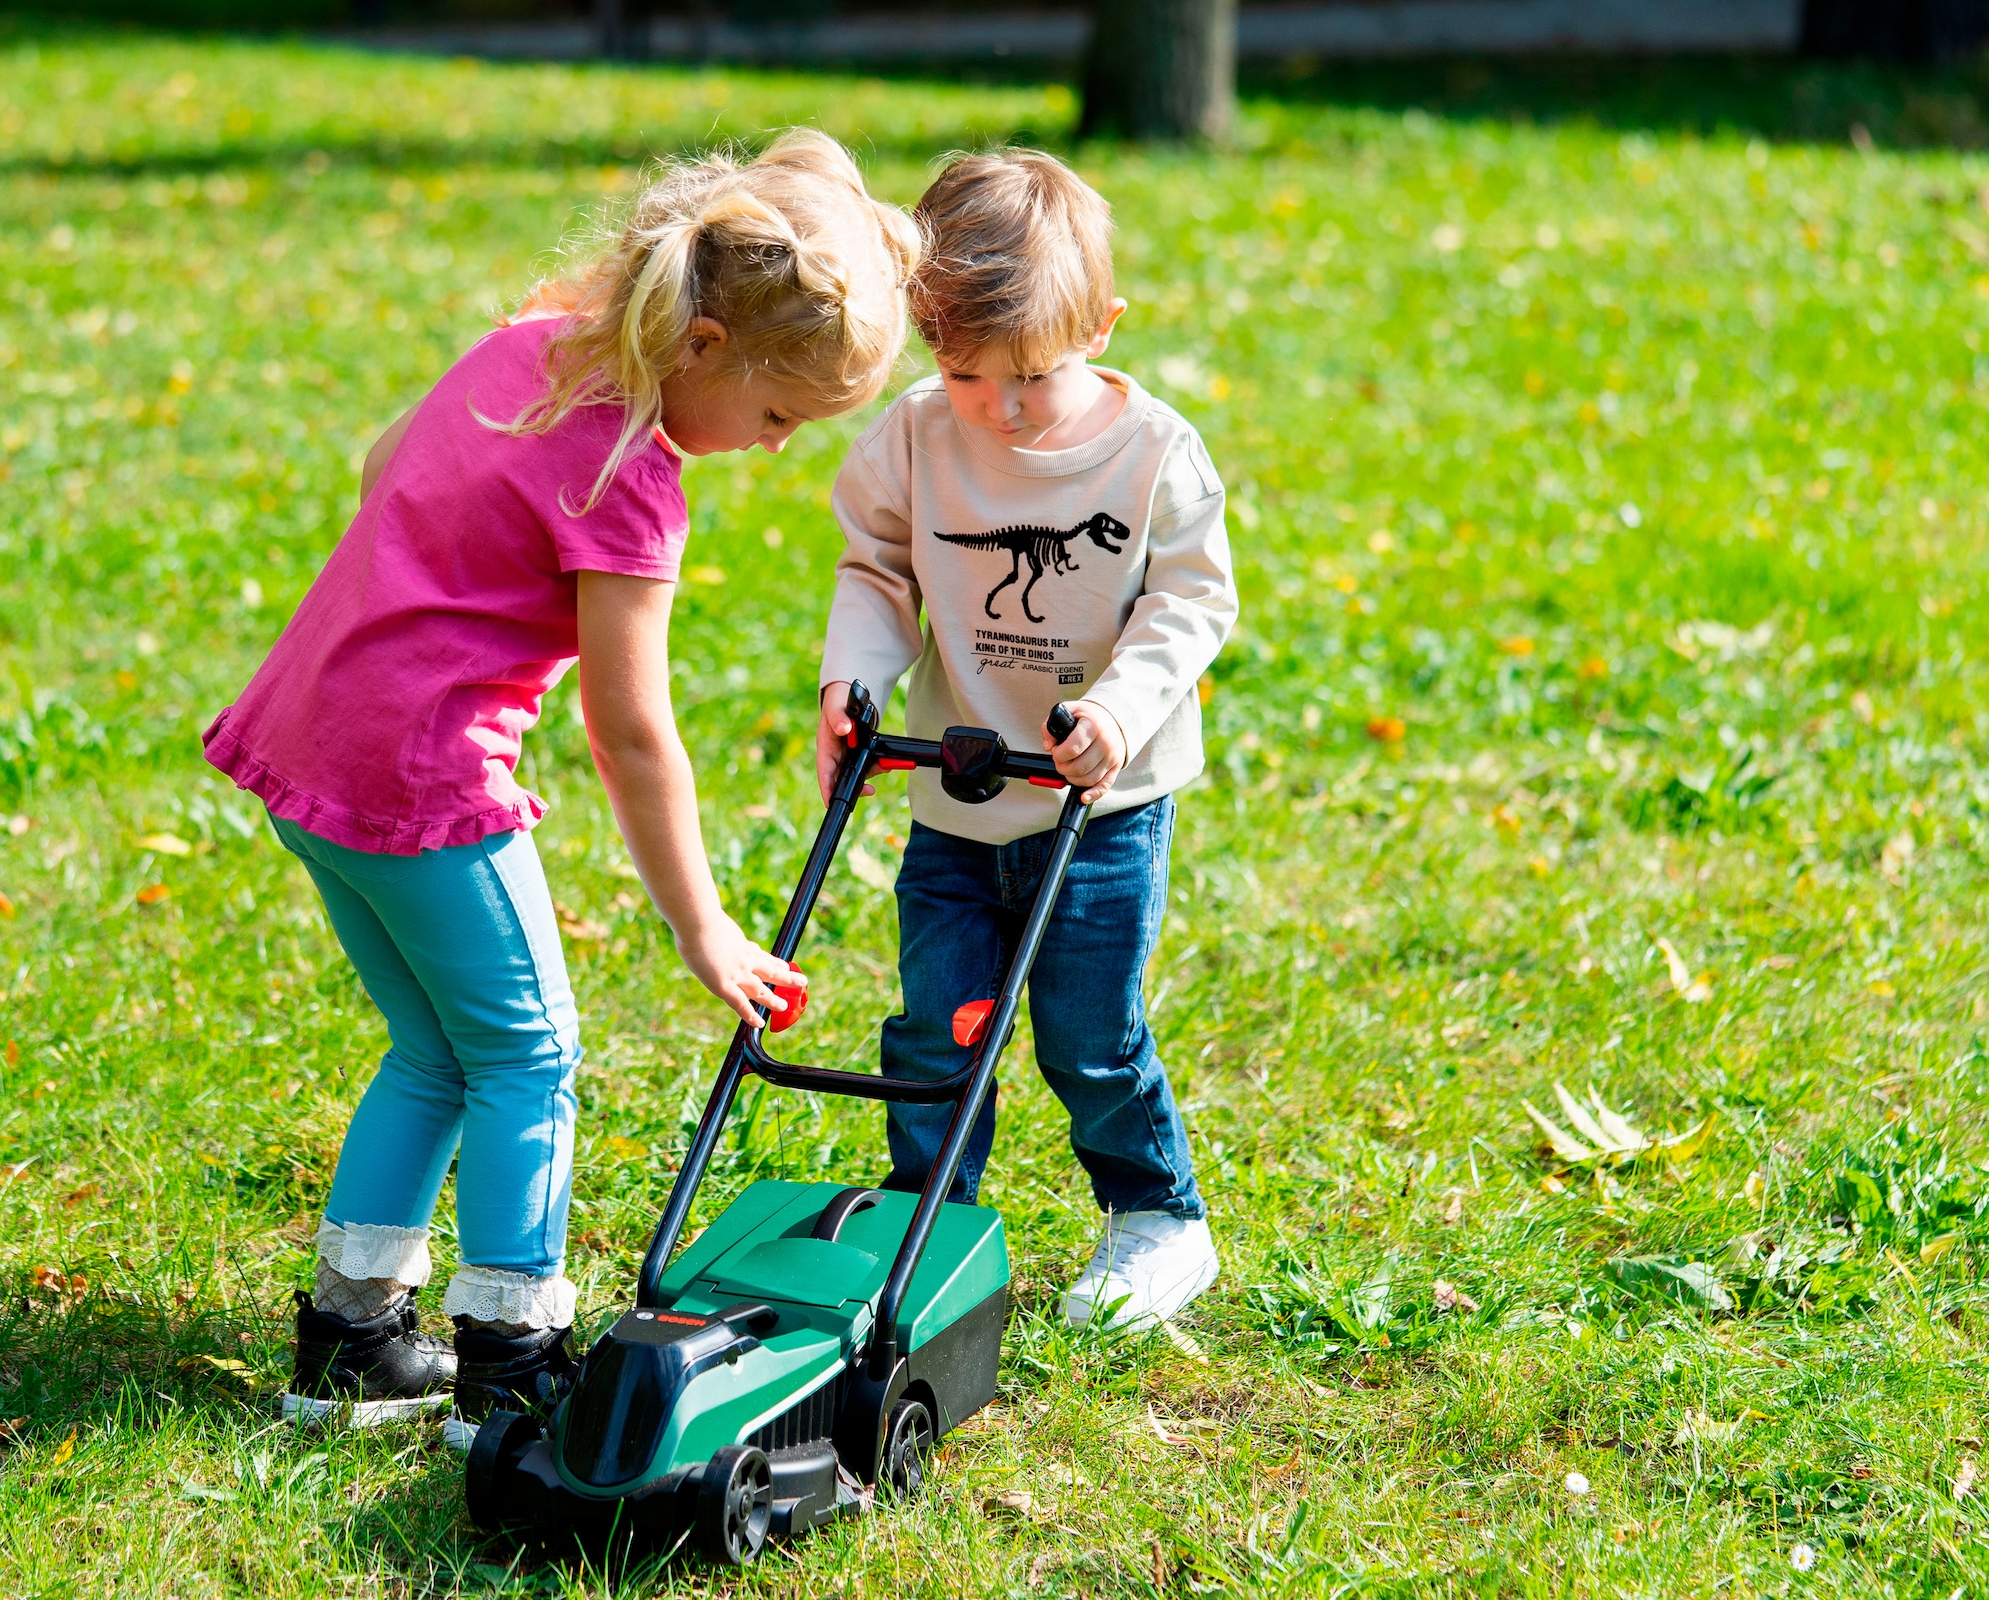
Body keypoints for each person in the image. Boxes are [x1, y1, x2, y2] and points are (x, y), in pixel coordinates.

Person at [207, 130, 924, 1425]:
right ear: (703, 346)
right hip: (423, 783)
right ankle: (511, 1356)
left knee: (436, 1046)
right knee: (532, 1055)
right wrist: (703, 924)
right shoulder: (631, 480)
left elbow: (382, 470)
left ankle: (350, 1340)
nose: (770, 450)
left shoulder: (520, 349)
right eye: (778, 417)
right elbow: (631, 724)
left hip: (310, 736)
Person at [815, 149, 1237, 1330]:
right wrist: (852, 679)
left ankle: (1159, 1216)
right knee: (933, 1027)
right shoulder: (914, 438)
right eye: (962, 372)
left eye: (1033, 376)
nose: (998, 407)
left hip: (1098, 809)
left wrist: (1117, 706)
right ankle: (930, 1215)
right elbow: (878, 569)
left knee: (1088, 1035)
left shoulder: (1153, 453)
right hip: (954, 799)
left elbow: (1192, 602)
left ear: (1101, 328)